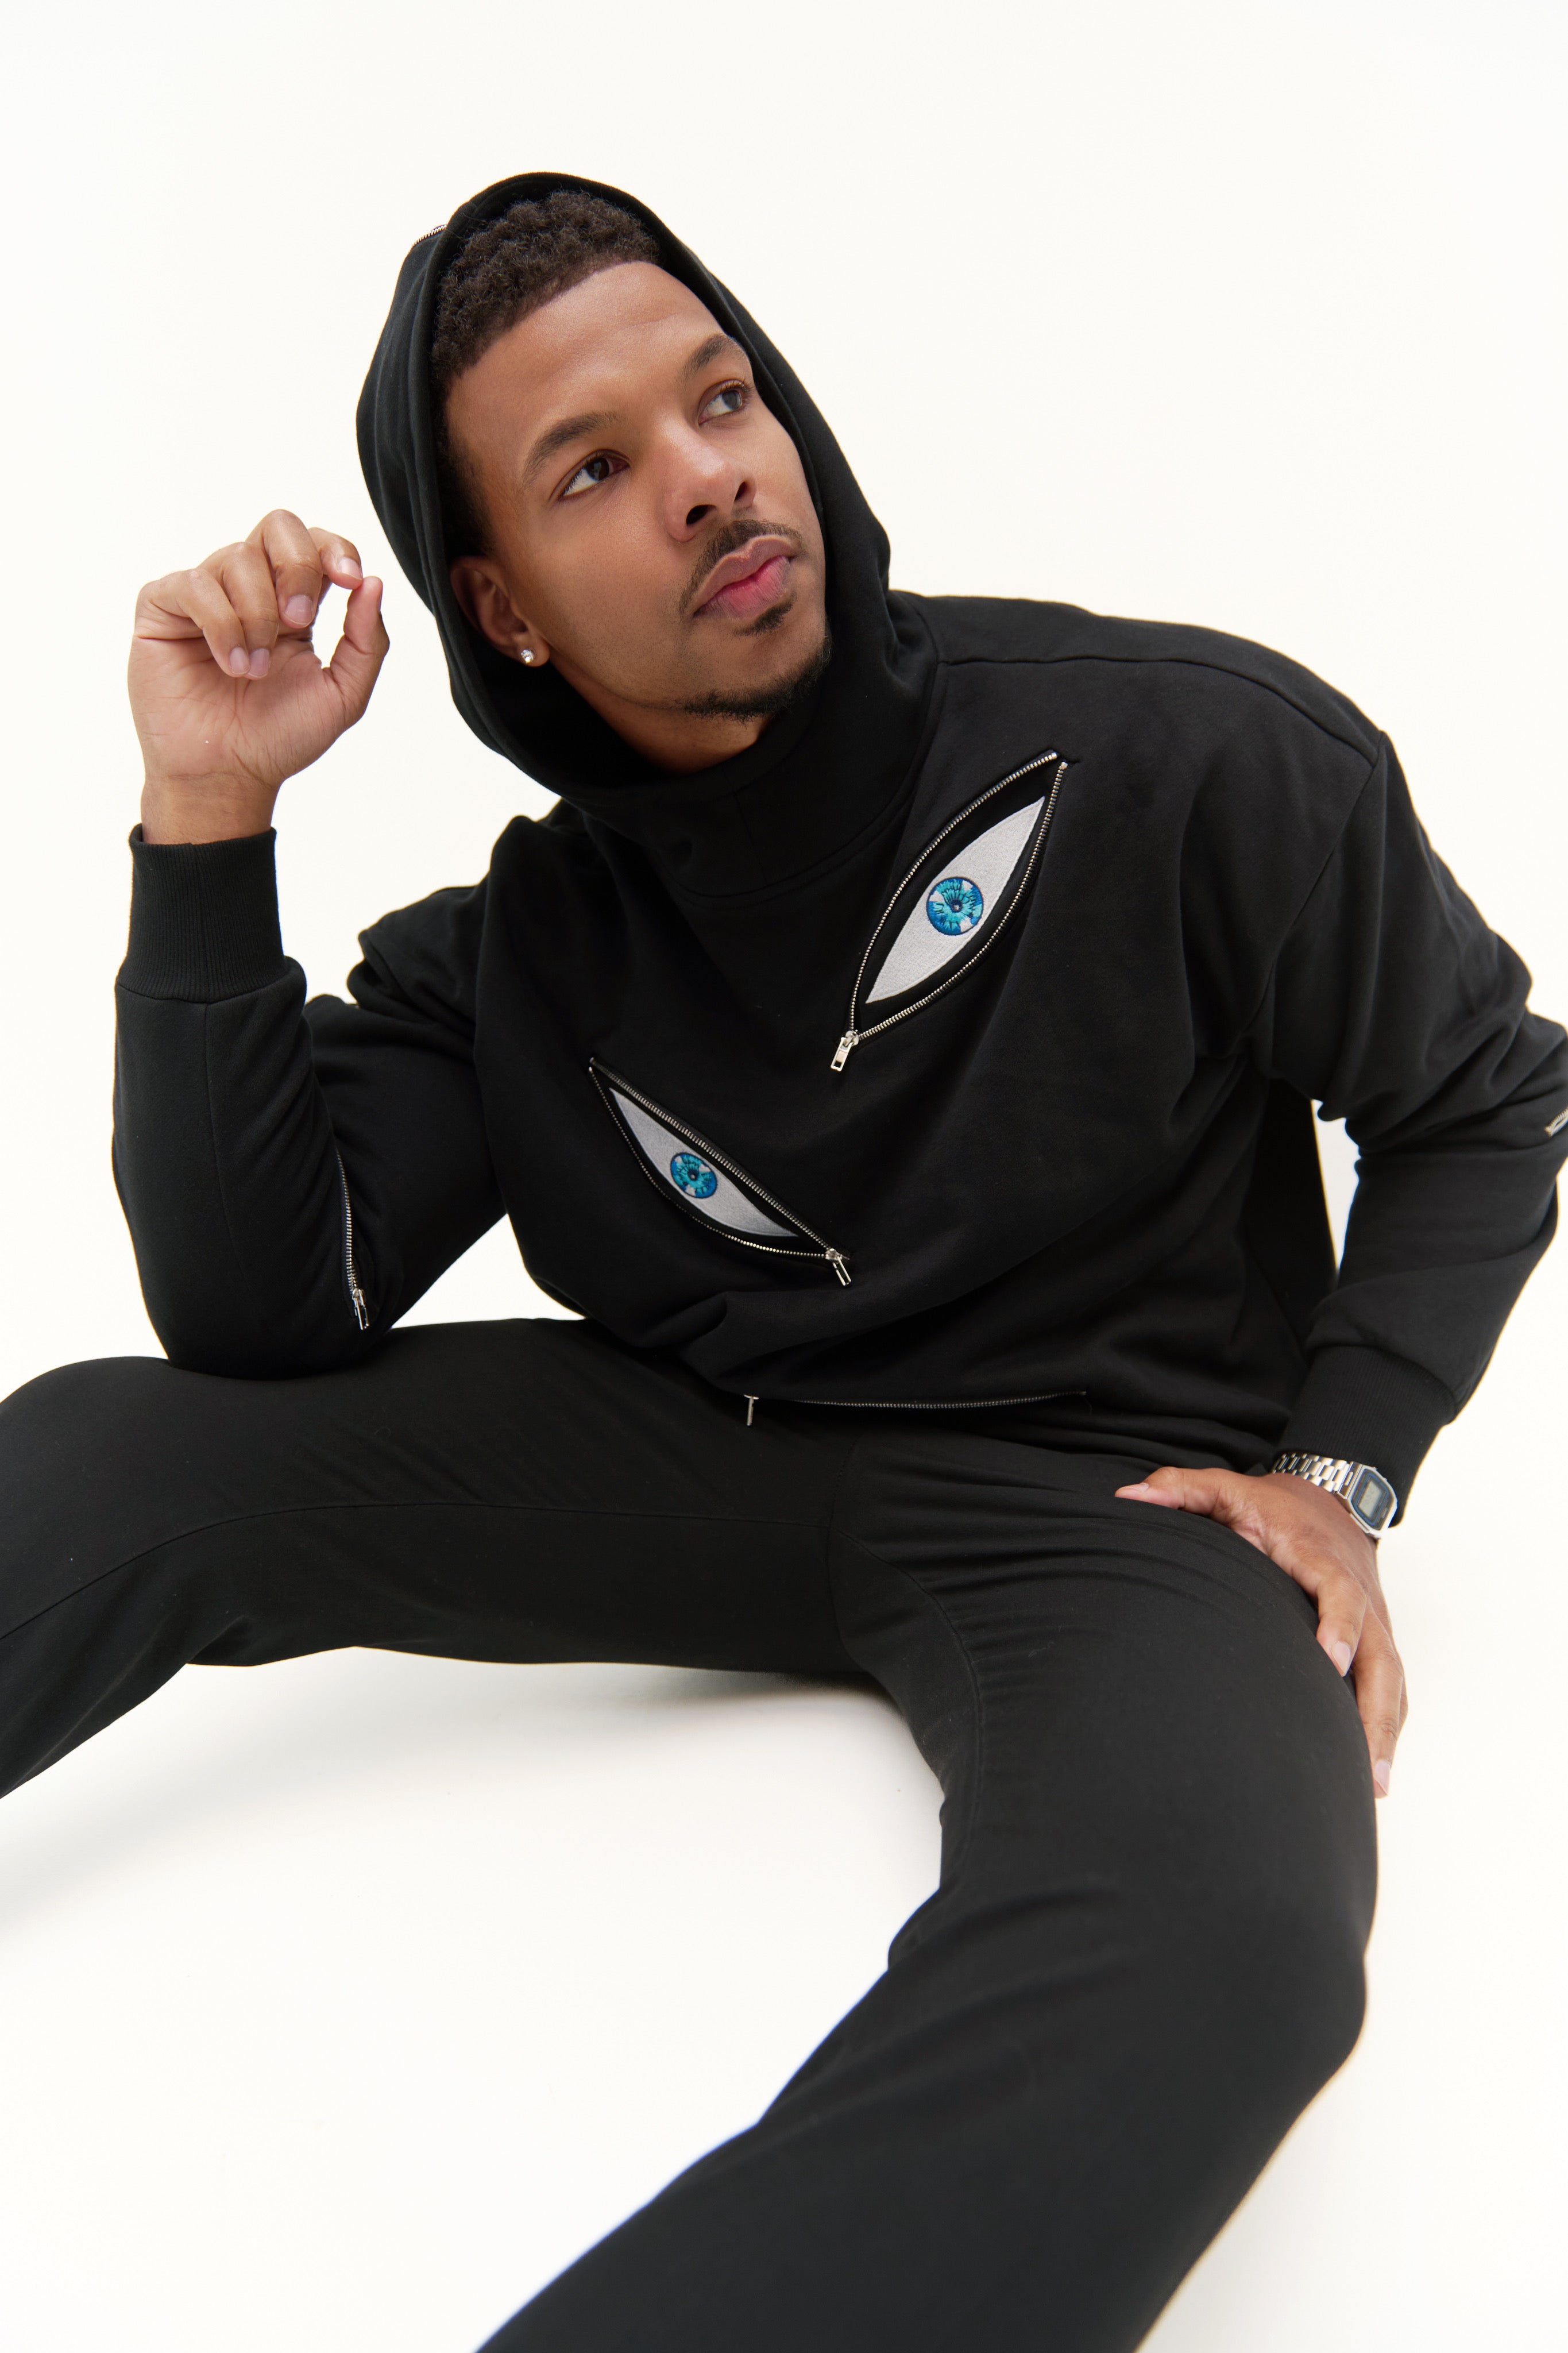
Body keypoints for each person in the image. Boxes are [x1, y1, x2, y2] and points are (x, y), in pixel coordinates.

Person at [4, 170, 1563, 2351]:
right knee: (110, 1455)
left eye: (719, 397)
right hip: (699, 1455)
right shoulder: (527, 949)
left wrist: (1343, 1470)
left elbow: (1482, 1096)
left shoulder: (1189, 749)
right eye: (592, 468)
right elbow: (264, 1312)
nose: (708, 476)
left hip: (1113, 1503)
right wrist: (207, 816)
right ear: (500, 608)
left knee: (1229, 1937)